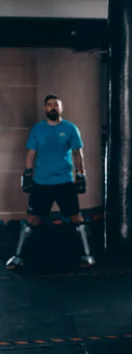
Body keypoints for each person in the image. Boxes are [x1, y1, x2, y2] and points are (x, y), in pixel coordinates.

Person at [5, 94, 95, 270]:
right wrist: (28, 175)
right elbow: (31, 154)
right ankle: (18, 257)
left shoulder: (70, 128)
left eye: (56, 105)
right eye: (50, 105)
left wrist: (81, 174)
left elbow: (78, 153)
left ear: (61, 108)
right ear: (45, 108)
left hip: (64, 181)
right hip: (42, 182)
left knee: (76, 217)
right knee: (32, 218)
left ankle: (87, 255)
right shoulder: (37, 130)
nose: (53, 107)